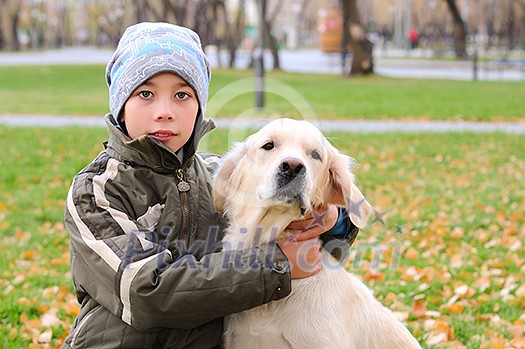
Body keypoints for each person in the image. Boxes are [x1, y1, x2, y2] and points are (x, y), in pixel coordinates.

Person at [61, 22, 359, 349]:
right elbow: (146, 291)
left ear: (199, 106)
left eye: (182, 95)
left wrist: (334, 220)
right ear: (120, 103)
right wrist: (277, 267)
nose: (164, 112)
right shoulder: (95, 191)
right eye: (145, 93)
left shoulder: (218, 173)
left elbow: (307, 231)